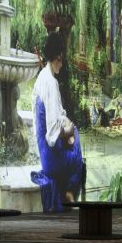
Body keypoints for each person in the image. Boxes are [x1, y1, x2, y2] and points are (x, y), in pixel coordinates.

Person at [31, 26, 84, 211]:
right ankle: (70, 191)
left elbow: (57, 114)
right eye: (61, 60)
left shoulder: (42, 78)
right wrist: (69, 131)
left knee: (73, 131)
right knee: (77, 145)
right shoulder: (51, 84)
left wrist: (67, 124)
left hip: (44, 153)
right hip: (51, 160)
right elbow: (52, 134)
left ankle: (69, 190)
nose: (62, 64)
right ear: (56, 58)